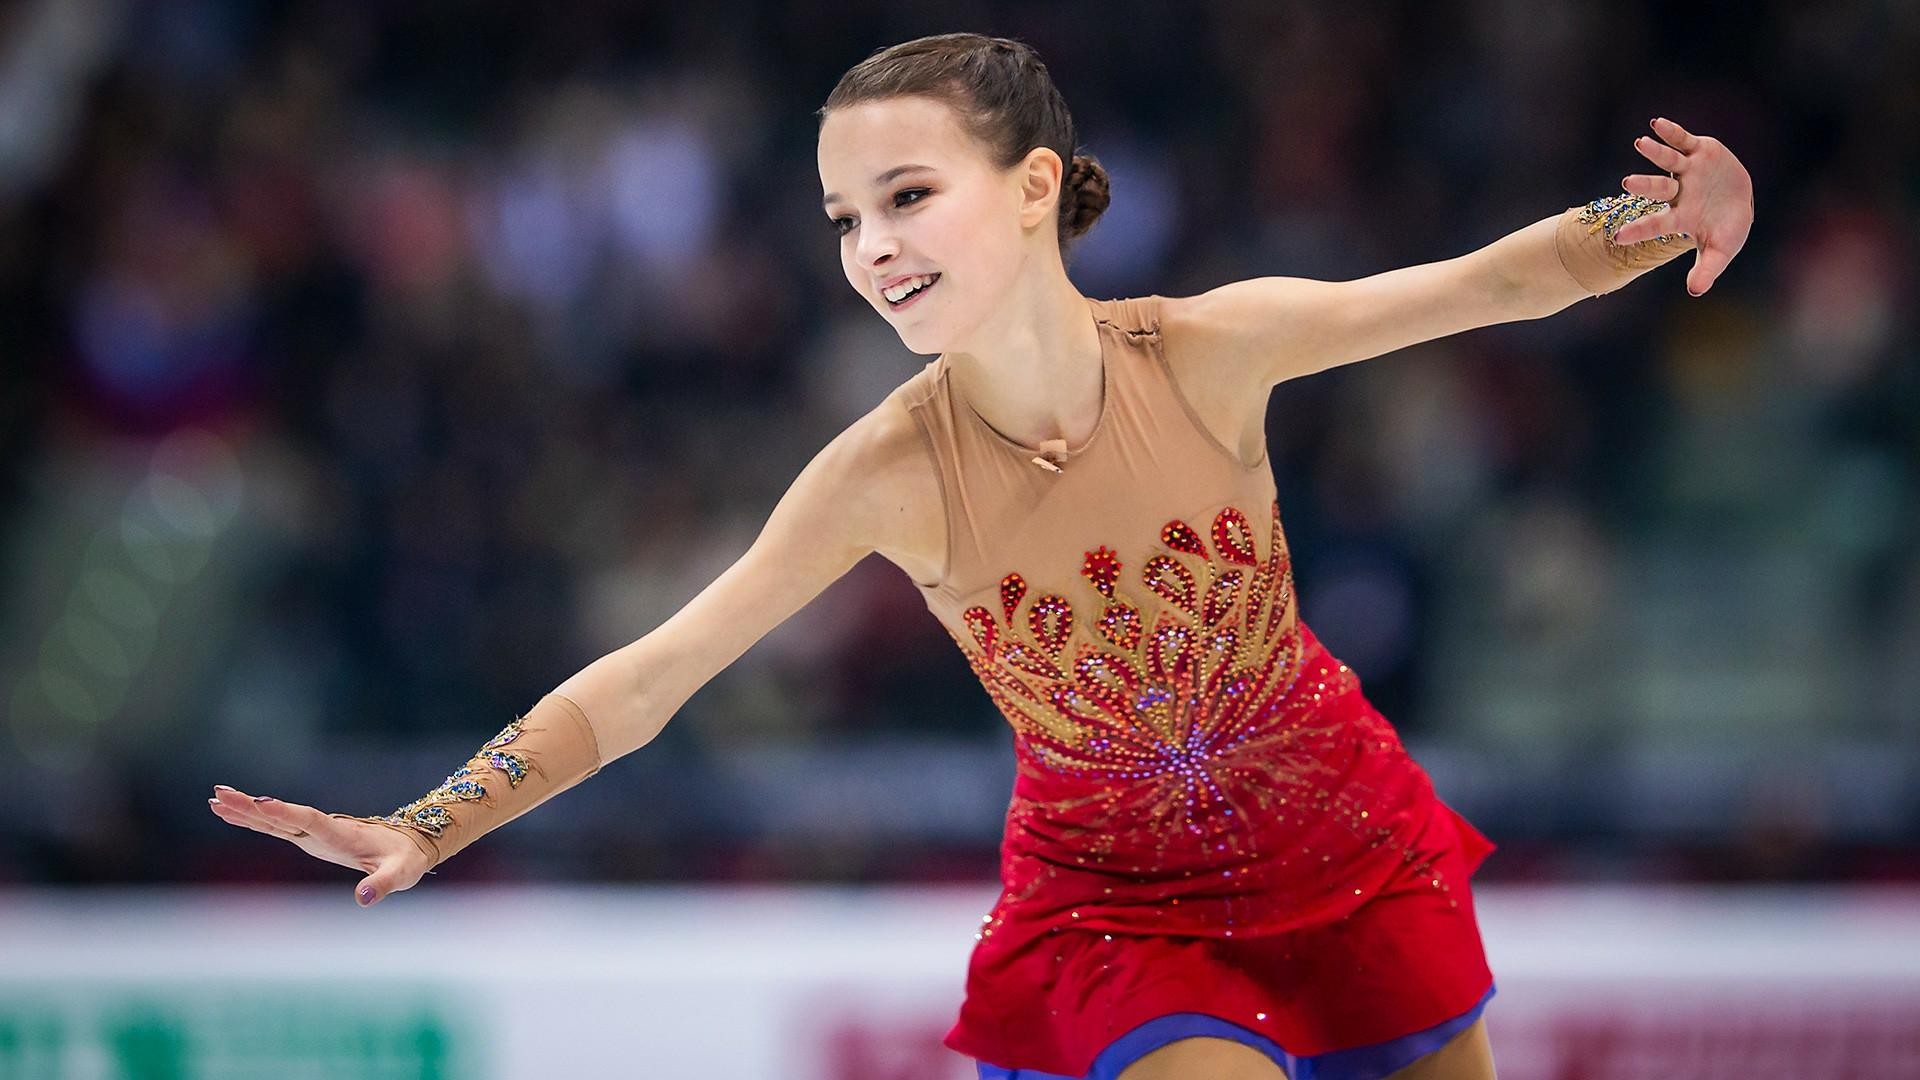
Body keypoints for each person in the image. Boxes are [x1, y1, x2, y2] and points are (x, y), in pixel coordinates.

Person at [209, 31, 1755, 1080]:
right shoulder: (884, 472)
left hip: (1343, 841)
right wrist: (437, 821)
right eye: (843, 218)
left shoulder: (1204, 352)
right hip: (1119, 910)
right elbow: (654, 677)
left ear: (1031, 190)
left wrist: (1673, 217)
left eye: (905, 196)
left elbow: (1484, 285)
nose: (871, 245)